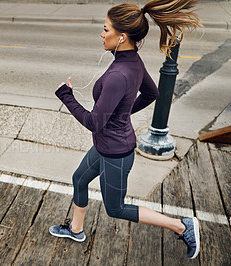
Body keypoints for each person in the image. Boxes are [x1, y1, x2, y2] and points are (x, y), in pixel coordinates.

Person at [49, 0, 202, 260]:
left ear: (121, 37)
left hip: (116, 154)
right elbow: (151, 93)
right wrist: (121, 114)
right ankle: (75, 229)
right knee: (79, 179)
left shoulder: (118, 74)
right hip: (105, 146)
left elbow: (94, 122)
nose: (101, 34)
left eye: (106, 29)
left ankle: (182, 226)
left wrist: (67, 96)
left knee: (116, 208)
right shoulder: (131, 61)